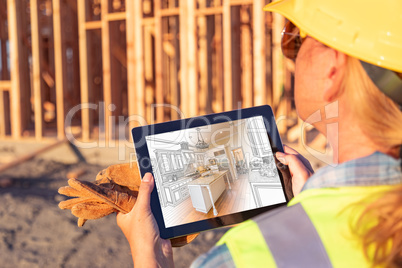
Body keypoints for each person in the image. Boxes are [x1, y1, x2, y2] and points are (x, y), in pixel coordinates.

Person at [117, 0, 402, 267]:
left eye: (297, 38)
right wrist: (313, 201)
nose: (291, 55)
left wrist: (149, 256)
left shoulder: (245, 255)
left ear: (332, 69)